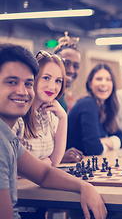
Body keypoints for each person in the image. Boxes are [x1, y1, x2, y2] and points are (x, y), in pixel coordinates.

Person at [0, 43, 107, 219]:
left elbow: (44, 173)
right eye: (11, 82)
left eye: (28, 83)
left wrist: (84, 186)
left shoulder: (7, 138)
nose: (22, 91)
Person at [12, 50, 67, 168]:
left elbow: (54, 162)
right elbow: (7, 167)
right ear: (33, 78)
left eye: (58, 81)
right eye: (46, 78)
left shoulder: (51, 116)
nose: (52, 87)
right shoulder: (16, 116)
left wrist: (63, 118)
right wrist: (41, 165)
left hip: (37, 184)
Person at [67, 63, 122, 156]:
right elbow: (94, 149)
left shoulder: (105, 106)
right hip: (73, 165)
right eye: (99, 79)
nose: (103, 83)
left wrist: (106, 141)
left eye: (108, 79)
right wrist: (107, 145)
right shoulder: (88, 104)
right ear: (90, 84)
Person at [54, 31, 84, 163]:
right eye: (65, 63)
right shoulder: (47, 95)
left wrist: (62, 153)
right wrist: (59, 157)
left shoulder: (62, 98)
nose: (71, 70)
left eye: (76, 66)